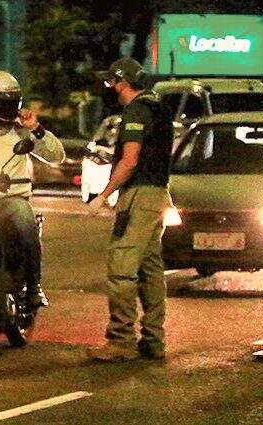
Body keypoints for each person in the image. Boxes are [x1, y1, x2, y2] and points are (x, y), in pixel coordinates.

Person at [86, 57, 174, 362]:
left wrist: (104, 195)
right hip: (158, 194)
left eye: (110, 81)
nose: (108, 87)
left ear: (120, 82)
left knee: (122, 266)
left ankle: (120, 339)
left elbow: (130, 159)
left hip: (139, 196)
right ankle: (153, 339)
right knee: (150, 268)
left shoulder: (136, 110)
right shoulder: (159, 108)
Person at [0, 70, 65, 308]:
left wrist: (36, 128)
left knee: (26, 226)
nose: (4, 108)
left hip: (11, 198)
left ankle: (34, 286)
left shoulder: (21, 128)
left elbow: (56, 155)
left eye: (9, 102)